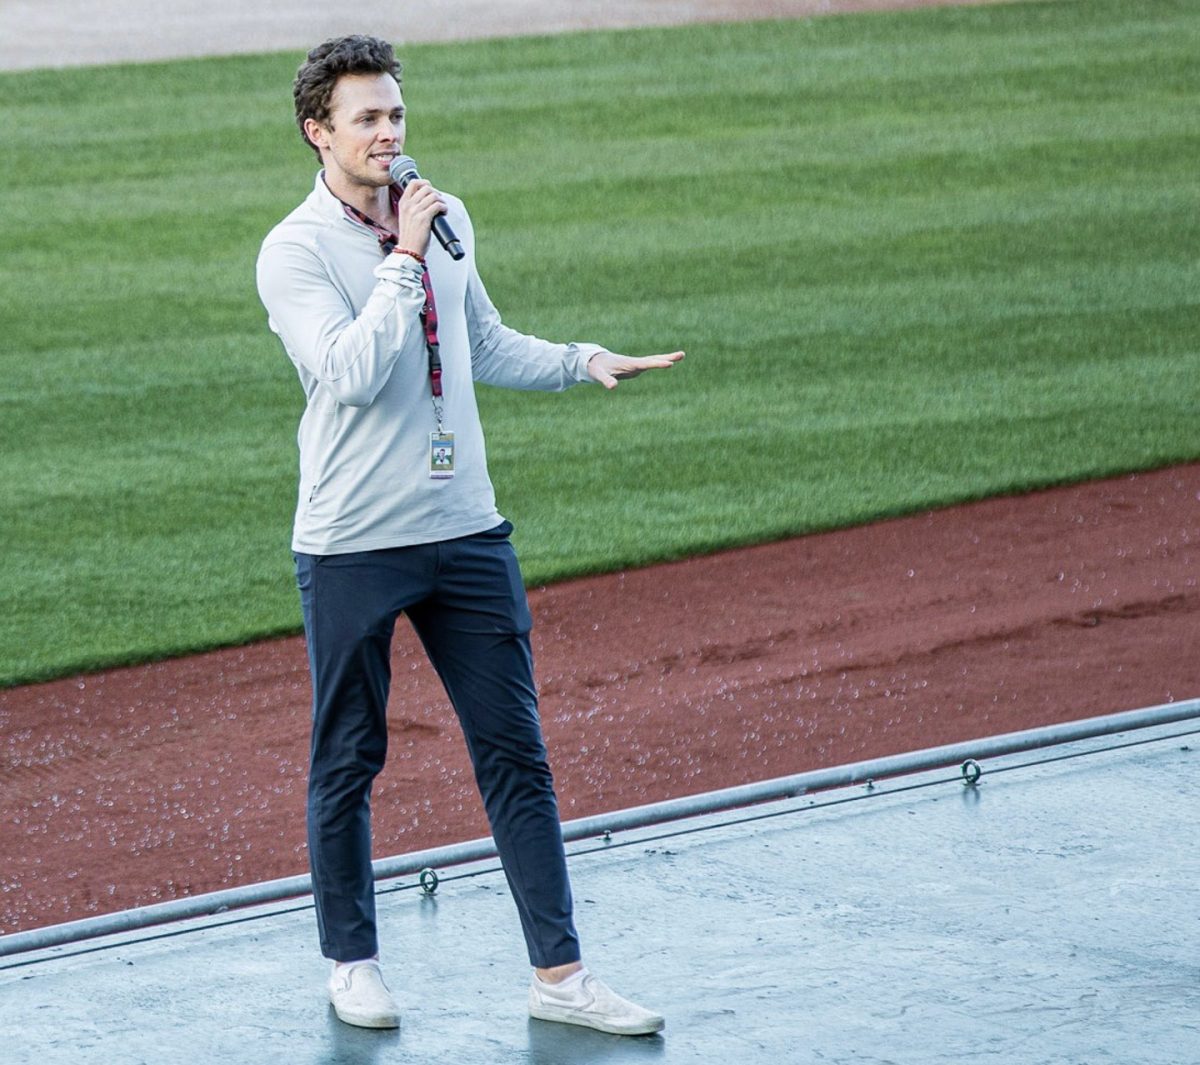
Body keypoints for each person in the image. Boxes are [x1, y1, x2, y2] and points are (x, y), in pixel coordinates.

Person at [255, 34, 683, 1036]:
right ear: (319, 133)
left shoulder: (446, 223)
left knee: (516, 752)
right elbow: (350, 372)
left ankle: (562, 976)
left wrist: (581, 360)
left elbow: (481, 341)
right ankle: (352, 961)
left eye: (395, 114)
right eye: (366, 118)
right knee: (349, 754)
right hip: (354, 540)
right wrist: (402, 253)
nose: (389, 133)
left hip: (468, 532)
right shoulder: (296, 251)